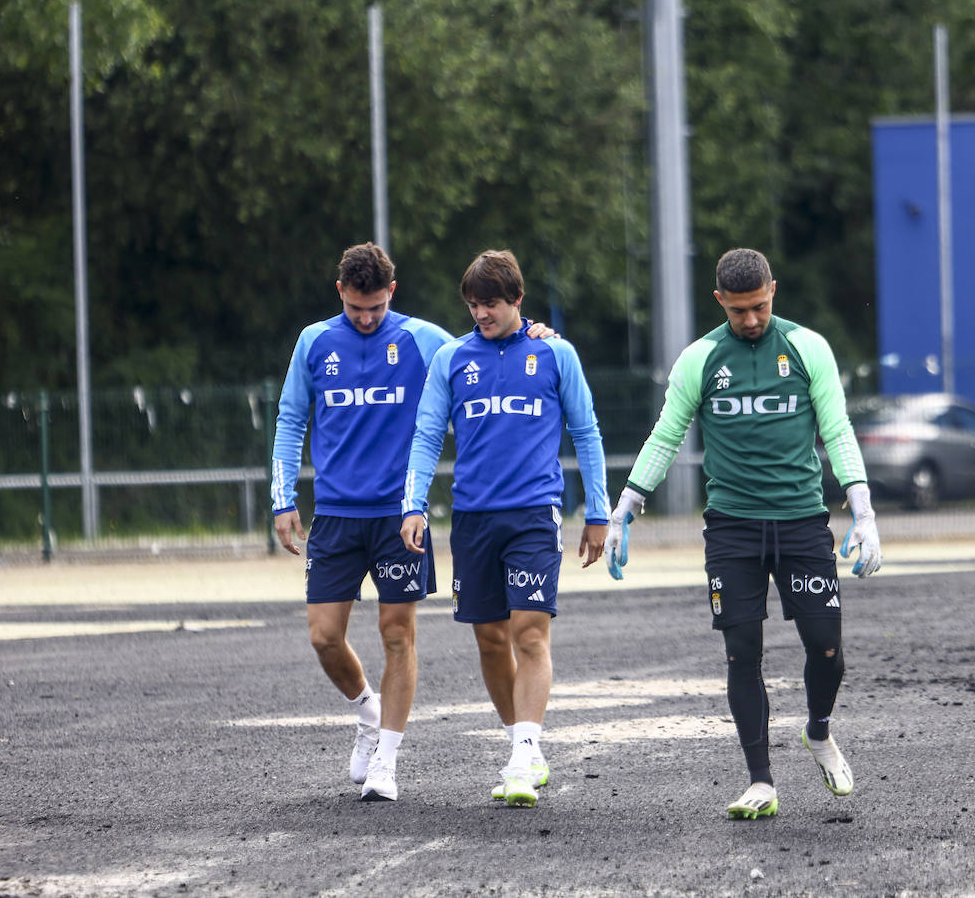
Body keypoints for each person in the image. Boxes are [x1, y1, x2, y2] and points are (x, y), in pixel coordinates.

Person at [603, 247, 882, 820]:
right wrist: (625, 506)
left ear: (773, 291)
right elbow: (666, 435)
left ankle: (819, 731)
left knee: (827, 650)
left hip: (803, 522)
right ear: (719, 302)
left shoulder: (807, 348)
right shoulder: (700, 359)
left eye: (758, 307)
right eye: (738, 311)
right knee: (741, 652)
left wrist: (864, 510)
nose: (750, 320)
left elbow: (837, 428)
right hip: (731, 528)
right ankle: (761, 780)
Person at [271, 242, 555, 803]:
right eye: (357, 308)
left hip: (399, 519)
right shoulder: (314, 342)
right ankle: (367, 713)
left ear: (391, 293)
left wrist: (533, 336)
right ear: (340, 294)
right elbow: (289, 422)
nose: (367, 318)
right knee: (324, 638)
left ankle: (387, 761)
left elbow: (485, 348)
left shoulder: (425, 339)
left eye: (376, 306)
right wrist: (282, 499)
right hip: (334, 514)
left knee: (396, 634)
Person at [399, 248, 609, 808]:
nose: (480, 314)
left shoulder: (556, 354)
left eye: (490, 303)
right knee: (491, 640)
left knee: (530, 633)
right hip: (471, 519)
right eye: (472, 304)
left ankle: (521, 754)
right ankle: (526, 748)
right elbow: (425, 436)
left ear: (517, 299)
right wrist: (412, 505)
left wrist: (597, 512)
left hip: (534, 514)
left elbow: (586, 434)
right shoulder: (450, 359)